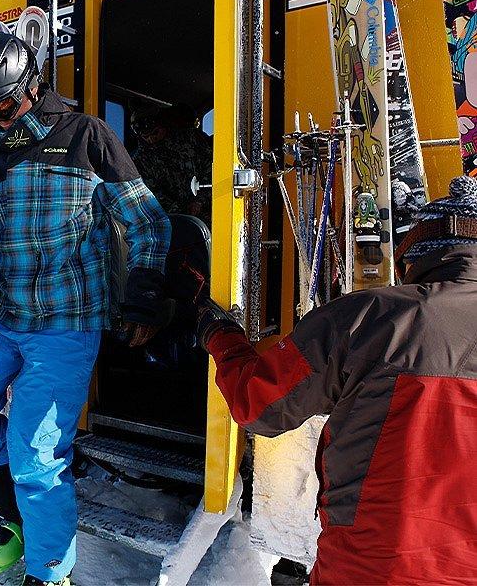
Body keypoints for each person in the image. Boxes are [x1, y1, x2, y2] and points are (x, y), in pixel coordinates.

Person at [0, 33, 173, 586]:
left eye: (5, 106)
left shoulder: (88, 137)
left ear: (32, 88)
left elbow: (147, 221)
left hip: (66, 323)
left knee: (36, 456)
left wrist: (144, 292)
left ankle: (49, 573)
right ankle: (16, 518)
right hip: (0, 318)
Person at [195, 176, 477, 584]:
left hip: (369, 571)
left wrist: (220, 337)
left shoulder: (369, 319)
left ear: (414, 259)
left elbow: (259, 406)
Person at [130, 103, 212, 226]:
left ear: (162, 124)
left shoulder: (191, 139)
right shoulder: (140, 160)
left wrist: (200, 201)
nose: (151, 139)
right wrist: (181, 212)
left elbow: (212, 168)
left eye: (155, 133)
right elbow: (150, 193)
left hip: (209, 208)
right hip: (173, 219)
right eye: (145, 136)